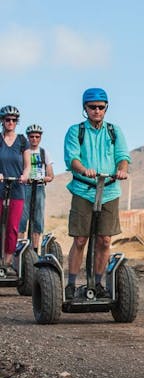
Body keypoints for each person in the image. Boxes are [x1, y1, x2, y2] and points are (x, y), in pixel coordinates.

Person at [63, 88, 130, 300]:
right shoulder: (76, 131)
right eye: (92, 107)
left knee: (105, 240)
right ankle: (71, 285)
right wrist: (84, 170)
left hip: (109, 190)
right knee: (81, 239)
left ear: (106, 108)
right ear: (85, 108)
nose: (97, 111)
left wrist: (122, 170)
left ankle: (98, 284)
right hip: (84, 189)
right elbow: (72, 158)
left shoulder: (114, 131)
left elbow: (122, 155)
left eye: (101, 107)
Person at [0, 105, 30, 275]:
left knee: (12, 226)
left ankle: (8, 261)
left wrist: (25, 175)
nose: (10, 122)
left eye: (13, 120)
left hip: (17, 188)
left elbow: (27, 166)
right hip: (0, 187)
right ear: (2, 121)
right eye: (7, 119)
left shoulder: (22, 140)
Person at [18, 124, 54, 252]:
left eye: (37, 137)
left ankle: (34, 249)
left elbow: (51, 175)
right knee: (21, 218)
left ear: (40, 138)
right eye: (31, 137)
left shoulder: (45, 153)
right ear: (28, 137)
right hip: (24, 187)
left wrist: (42, 178)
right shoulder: (23, 153)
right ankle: (20, 249)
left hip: (38, 187)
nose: (34, 139)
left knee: (37, 219)